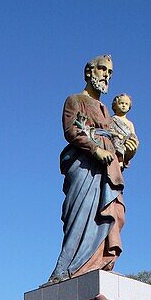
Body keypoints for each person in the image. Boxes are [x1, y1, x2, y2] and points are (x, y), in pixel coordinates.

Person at [49, 55, 138, 281]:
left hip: (107, 170)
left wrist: (127, 152)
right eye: (102, 69)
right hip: (85, 166)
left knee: (109, 214)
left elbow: (117, 145)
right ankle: (67, 270)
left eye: (110, 72)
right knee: (81, 214)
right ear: (89, 72)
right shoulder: (75, 99)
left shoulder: (108, 112)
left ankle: (99, 262)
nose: (106, 75)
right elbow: (71, 130)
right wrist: (95, 149)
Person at [109, 93, 138, 164]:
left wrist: (135, 142)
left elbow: (133, 135)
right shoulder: (111, 119)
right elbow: (108, 130)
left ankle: (122, 160)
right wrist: (116, 135)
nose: (124, 105)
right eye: (121, 103)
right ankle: (120, 159)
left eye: (126, 104)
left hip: (126, 143)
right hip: (115, 143)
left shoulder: (130, 123)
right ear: (115, 105)